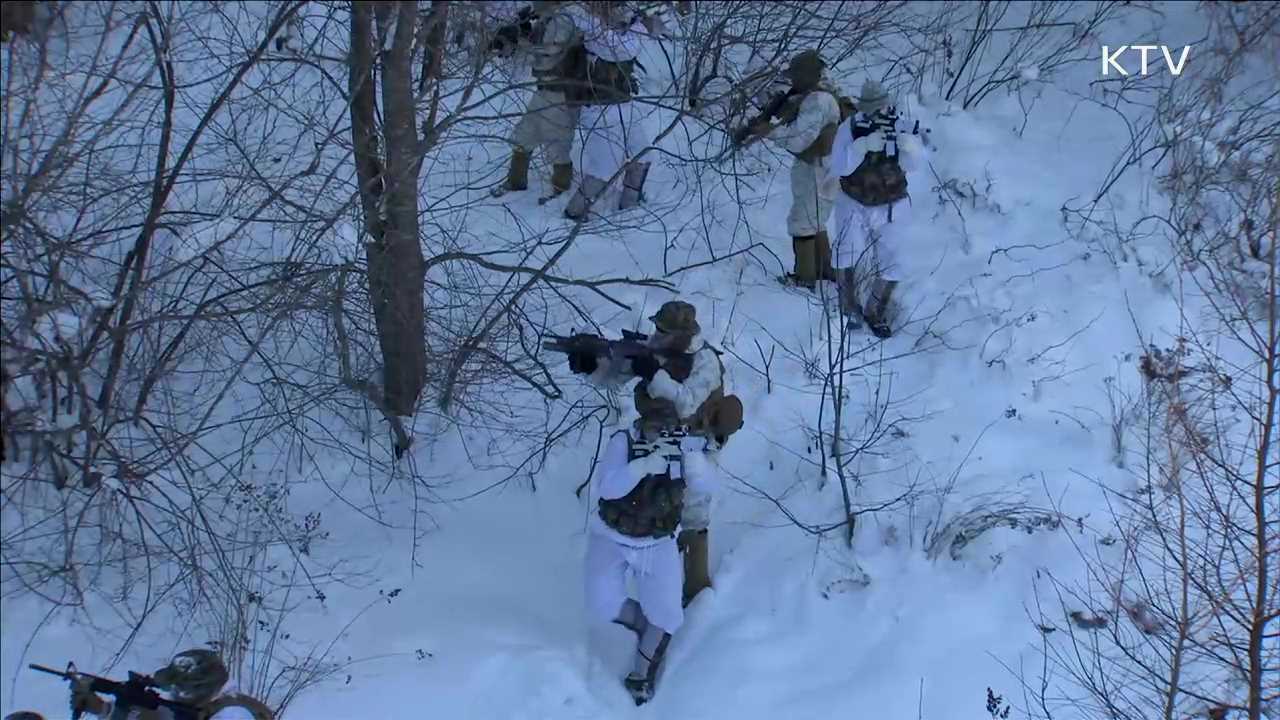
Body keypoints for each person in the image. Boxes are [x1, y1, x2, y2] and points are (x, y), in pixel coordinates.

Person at [568, 301, 738, 609]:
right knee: (654, 509)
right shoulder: (655, 348)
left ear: (683, 334)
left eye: (664, 331)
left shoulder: (705, 361)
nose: (657, 334)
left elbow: (687, 404)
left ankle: (697, 591)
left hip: (693, 444)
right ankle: (660, 588)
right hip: (655, 441)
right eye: (657, 328)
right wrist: (590, 366)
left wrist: (656, 374)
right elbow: (616, 376)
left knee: (693, 515)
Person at [742, 50, 844, 290]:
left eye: (796, 76)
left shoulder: (817, 100)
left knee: (802, 223)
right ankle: (823, 269)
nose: (792, 81)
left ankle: (804, 278)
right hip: (822, 168)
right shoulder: (819, 95)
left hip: (817, 170)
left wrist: (770, 131)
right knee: (815, 220)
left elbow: (800, 139)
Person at [828, 79, 910, 338]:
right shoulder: (850, 127)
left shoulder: (899, 124)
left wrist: (909, 147)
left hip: (892, 205)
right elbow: (839, 167)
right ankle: (848, 306)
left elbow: (915, 162)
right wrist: (861, 146)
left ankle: (876, 311)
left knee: (893, 260)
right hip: (854, 200)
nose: (877, 112)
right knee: (846, 252)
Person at [491, 1, 585, 201]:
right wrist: (515, 36)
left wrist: (522, 36)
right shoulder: (548, 20)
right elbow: (535, 53)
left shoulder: (563, 19)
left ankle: (560, 191)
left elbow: (549, 50)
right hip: (544, 89)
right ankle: (516, 181)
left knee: (557, 143)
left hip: (560, 93)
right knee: (524, 134)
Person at [563, 2, 645, 220]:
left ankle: (630, 206)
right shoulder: (587, 20)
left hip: (624, 102)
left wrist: (637, 21)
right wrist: (642, 27)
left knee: (643, 153)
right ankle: (574, 213)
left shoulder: (619, 20)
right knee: (604, 168)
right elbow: (621, 50)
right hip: (599, 108)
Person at [65, 649, 272, 720]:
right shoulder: (202, 708)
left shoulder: (233, 715)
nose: (175, 693)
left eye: (179, 689)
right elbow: (158, 717)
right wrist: (102, 708)